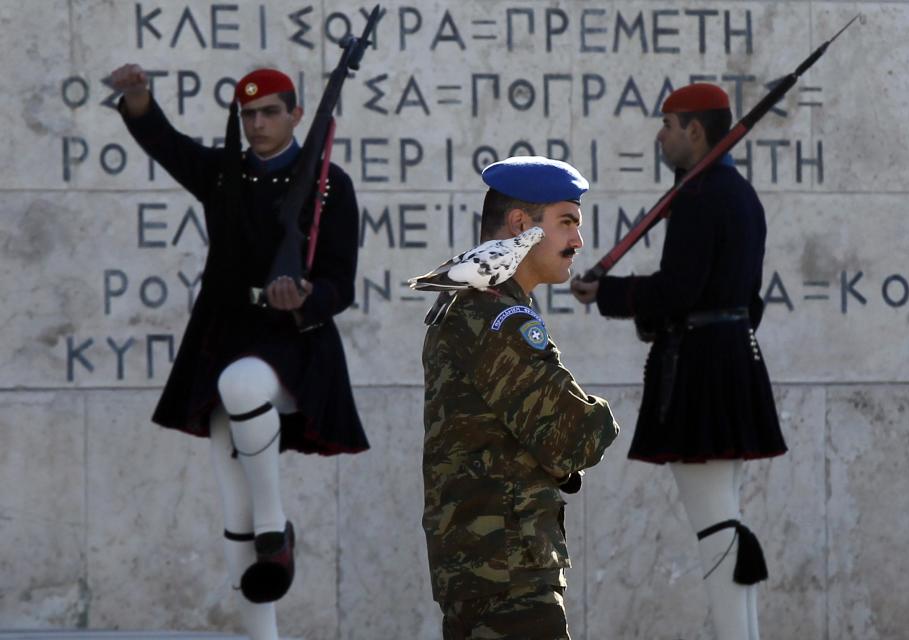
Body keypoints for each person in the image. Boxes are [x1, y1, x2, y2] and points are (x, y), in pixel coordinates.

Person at [110, 64, 369, 639]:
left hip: (292, 344)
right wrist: (137, 99)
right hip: (224, 335)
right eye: (247, 114)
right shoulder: (225, 175)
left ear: (296, 115)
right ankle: (263, 630)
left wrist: (303, 296)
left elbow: (340, 283)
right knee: (234, 514)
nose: (256, 123)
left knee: (244, 387)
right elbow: (167, 145)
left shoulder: (330, 185)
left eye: (270, 112)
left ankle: (277, 528)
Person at [570, 83, 787, 640]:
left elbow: (680, 291)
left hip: (702, 372)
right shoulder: (740, 194)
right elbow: (747, 298)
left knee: (715, 524)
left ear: (696, 129)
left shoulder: (699, 197)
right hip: (733, 359)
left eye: (669, 124)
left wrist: (609, 294)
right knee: (723, 518)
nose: (660, 136)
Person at [419, 156, 620, 640]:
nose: (578, 241)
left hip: (487, 568)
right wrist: (602, 421)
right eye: (567, 222)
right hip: (507, 575)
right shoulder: (496, 316)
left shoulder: (480, 306)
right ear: (519, 225)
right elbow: (572, 436)